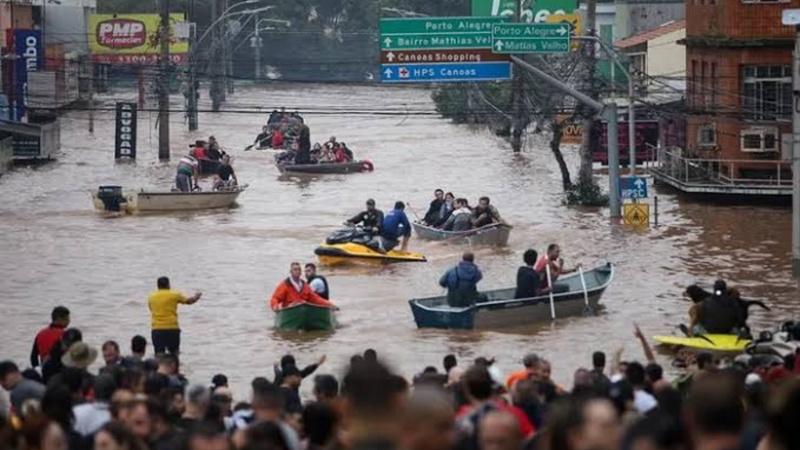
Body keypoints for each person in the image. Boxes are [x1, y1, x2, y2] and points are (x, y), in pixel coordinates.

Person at [147, 277, 202, 355]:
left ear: (158, 286)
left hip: (157, 329)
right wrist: (197, 296)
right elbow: (189, 301)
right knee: (174, 355)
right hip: (172, 328)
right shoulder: (174, 295)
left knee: (159, 355)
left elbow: (151, 309)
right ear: (168, 284)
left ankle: (160, 367)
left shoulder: (151, 297)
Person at [270, 263, 335, 311]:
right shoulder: (284, 285)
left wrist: (330, 304)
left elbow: (316, 299)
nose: (297, 271)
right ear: (291, 272)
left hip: (303, 310)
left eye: (299, 269)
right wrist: (275, 307)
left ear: (301, 272)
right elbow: (275, 298)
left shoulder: (305, 286)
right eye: (295, 269)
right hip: (289, 310)